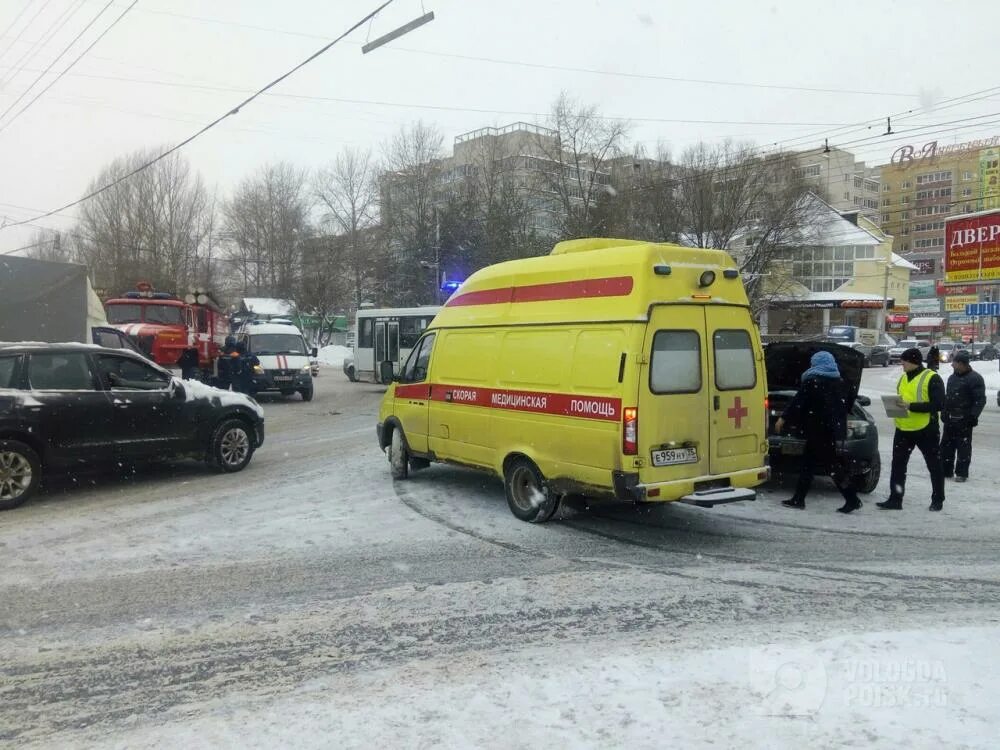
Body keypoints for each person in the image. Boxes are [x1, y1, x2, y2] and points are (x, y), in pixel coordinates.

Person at [774, 350, 862, 514]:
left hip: (817, 428)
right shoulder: (842, 382)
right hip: (832, 430)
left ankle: (851, 499)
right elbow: (847, 406)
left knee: (824, 465)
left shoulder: (813, 381)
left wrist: (784, 419)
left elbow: (798, 403)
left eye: (813, 363)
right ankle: (800, 498)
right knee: (818, 464)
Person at [877, 348, 946, 511]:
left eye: (904, 361)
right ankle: (895, 499)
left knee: (934, 465)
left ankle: (938, 500)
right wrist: (894, 407)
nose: (901, 363)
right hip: (903, 428)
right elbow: (903, 400)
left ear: (913, 361)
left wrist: (911, 406)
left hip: (926, 429)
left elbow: (939, 404)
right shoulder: (902, 378)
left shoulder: (932, 378)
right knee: (898, 465)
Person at [940, 350, 986, 483]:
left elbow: (980, 400)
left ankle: (961, 473)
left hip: (964, 419)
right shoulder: (952, 378)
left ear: (961, 363)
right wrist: (944, 412)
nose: (952, 365)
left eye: (954, 362)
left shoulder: (975, 378)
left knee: (963, 447)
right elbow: (947, 398)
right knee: (946, 446)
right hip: (950, 419)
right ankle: (946, 469)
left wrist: (973, 416)